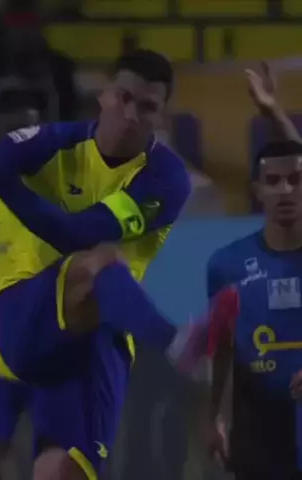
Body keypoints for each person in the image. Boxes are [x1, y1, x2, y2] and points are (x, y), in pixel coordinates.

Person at [0, 49, 218, 480]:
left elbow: (78, 230)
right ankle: (177, 343)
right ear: (103, 96)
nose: (131, 115)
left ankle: (177, 347)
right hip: (28, 314)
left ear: (162, 116)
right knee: (100, 260)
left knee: (64, 471)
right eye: (123, 98)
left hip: (99, 340)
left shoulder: (166, 179)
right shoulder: (56, 143)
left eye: (147, 106)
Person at [207, 64, 302, 480]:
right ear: (257, 191)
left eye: (297, 180)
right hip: (258, 441)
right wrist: (214, 415)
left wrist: (273, 112)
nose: (286, 190)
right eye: (274, 181)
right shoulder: (225, 264)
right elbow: (221, 349)